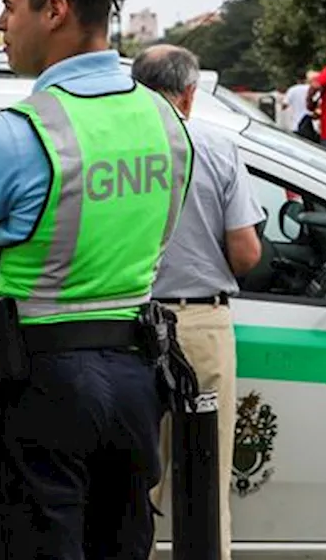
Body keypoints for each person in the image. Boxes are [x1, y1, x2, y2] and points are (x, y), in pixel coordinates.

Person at [0, 0, 194, 560]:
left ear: (56, 11)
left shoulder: (17, 135)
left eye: (10, 6)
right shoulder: (167, 122)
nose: (1, 23)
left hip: (40, 384)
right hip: (134, 377)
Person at [132, 44, 263, 560]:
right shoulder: (216, 147)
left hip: (127, 325)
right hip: (200, 327)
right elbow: (246, 252)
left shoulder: (114, 152)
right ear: (189, 94)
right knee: (205, 481)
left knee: (127, 485)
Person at [282, 69, 317, 139]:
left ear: (297, 79)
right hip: (311, 126)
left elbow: (284, 105)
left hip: (295, 125)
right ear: (306, 79)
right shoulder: (312, 90)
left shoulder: (292, 90)